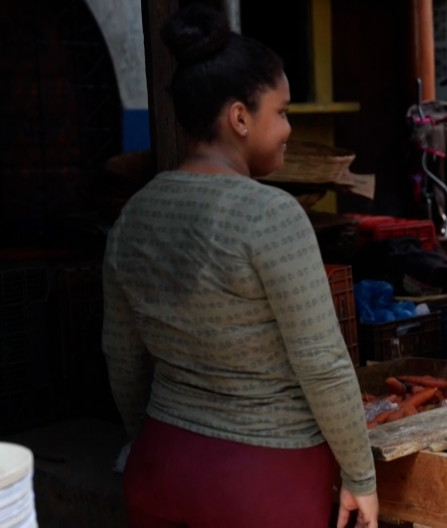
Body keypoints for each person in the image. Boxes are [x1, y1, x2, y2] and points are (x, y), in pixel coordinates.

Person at [101, 5, 378, 528]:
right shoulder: (270, 215)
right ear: (240, 118)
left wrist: (147, 434)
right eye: (282, 111)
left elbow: (121, 355)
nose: (289, 129)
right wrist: (361, 477)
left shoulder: (135, 214)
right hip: (264, 482)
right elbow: (322, 362)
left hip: (160, 467)